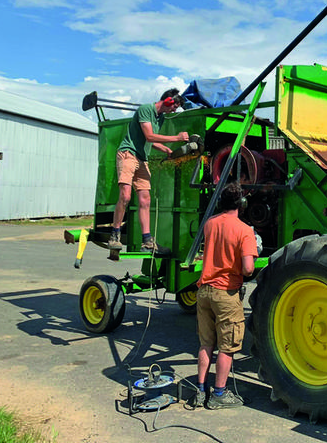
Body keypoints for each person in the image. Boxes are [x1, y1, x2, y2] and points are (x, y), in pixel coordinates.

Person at [193, 182, 258, 409]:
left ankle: (200, 390)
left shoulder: (210, 224)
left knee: (206, 344)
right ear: (241, 204)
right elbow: (249, 269)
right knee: (227, 347)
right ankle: (219, 394)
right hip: (225, 293)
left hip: (204, 291)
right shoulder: (245, 231)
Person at [108, 88, 190, 253]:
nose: (174, 110)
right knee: (125, 196)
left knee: (145, 200)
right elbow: (149, 136)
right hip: (128, 154)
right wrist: (177, 138)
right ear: (168, 101)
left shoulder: (160, 118)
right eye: (174, 106)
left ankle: (147, 241)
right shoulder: (146, 109)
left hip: (141, 158)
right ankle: (114, 235)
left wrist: (166, 150)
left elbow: (152, 142)